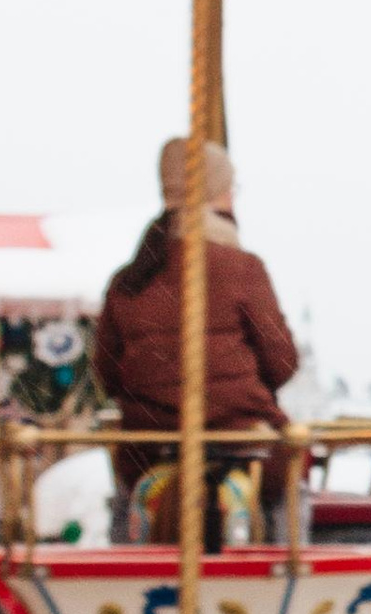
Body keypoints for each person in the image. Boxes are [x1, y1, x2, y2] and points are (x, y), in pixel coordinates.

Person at [91, 139, 299, 537]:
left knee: (126, 490)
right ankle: (286, 559)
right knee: (287, 486)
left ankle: (122, 550)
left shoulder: (129, 278)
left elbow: (107, 372)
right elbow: (282, 360)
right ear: (217, 194)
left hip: (151, 443)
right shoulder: (242, 268)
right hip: (236, 440)